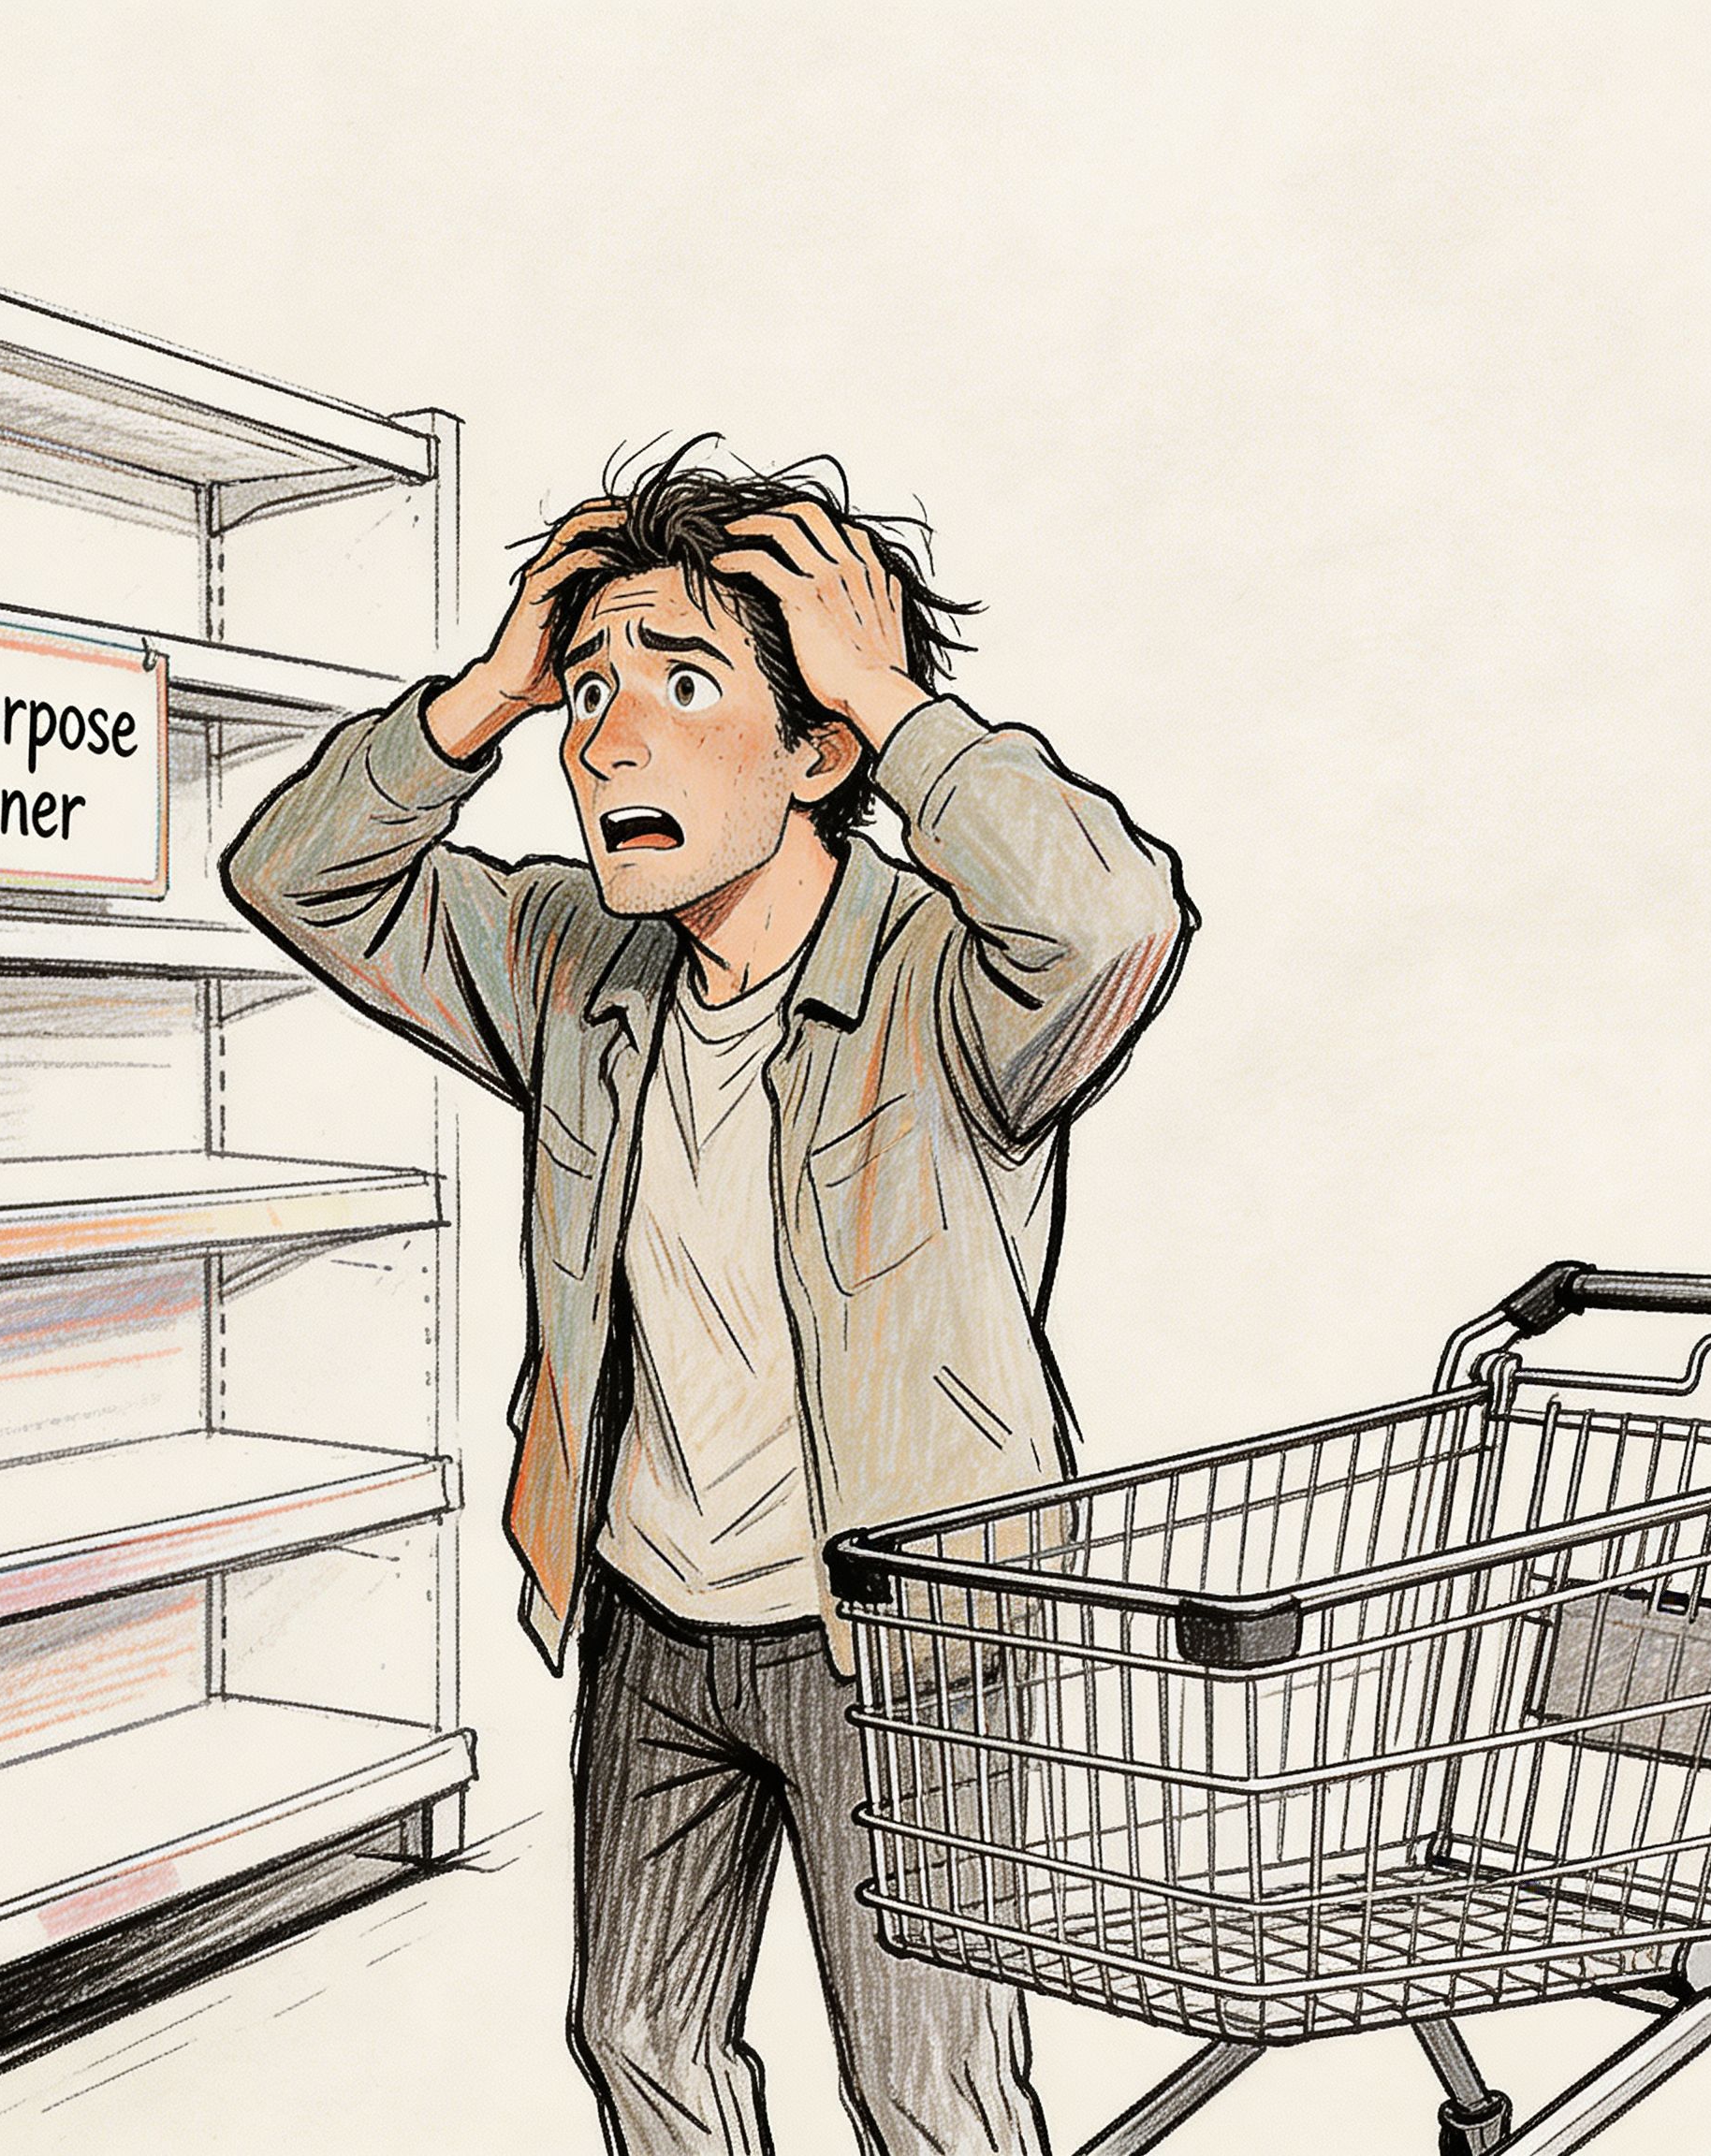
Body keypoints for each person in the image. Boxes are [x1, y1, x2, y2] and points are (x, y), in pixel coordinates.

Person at [223, 443, 1192, 2156]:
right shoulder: (574, 962)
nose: (608, 741)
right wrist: (485, 697)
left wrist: (893, 699)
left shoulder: (944, 979)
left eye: (681, 685)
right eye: (590, 692)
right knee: (638, 2037)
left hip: (901, 1642)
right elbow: (294, 877)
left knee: (929, 2091)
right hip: (650, 1614)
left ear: (816, 749)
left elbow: (1112, 918)